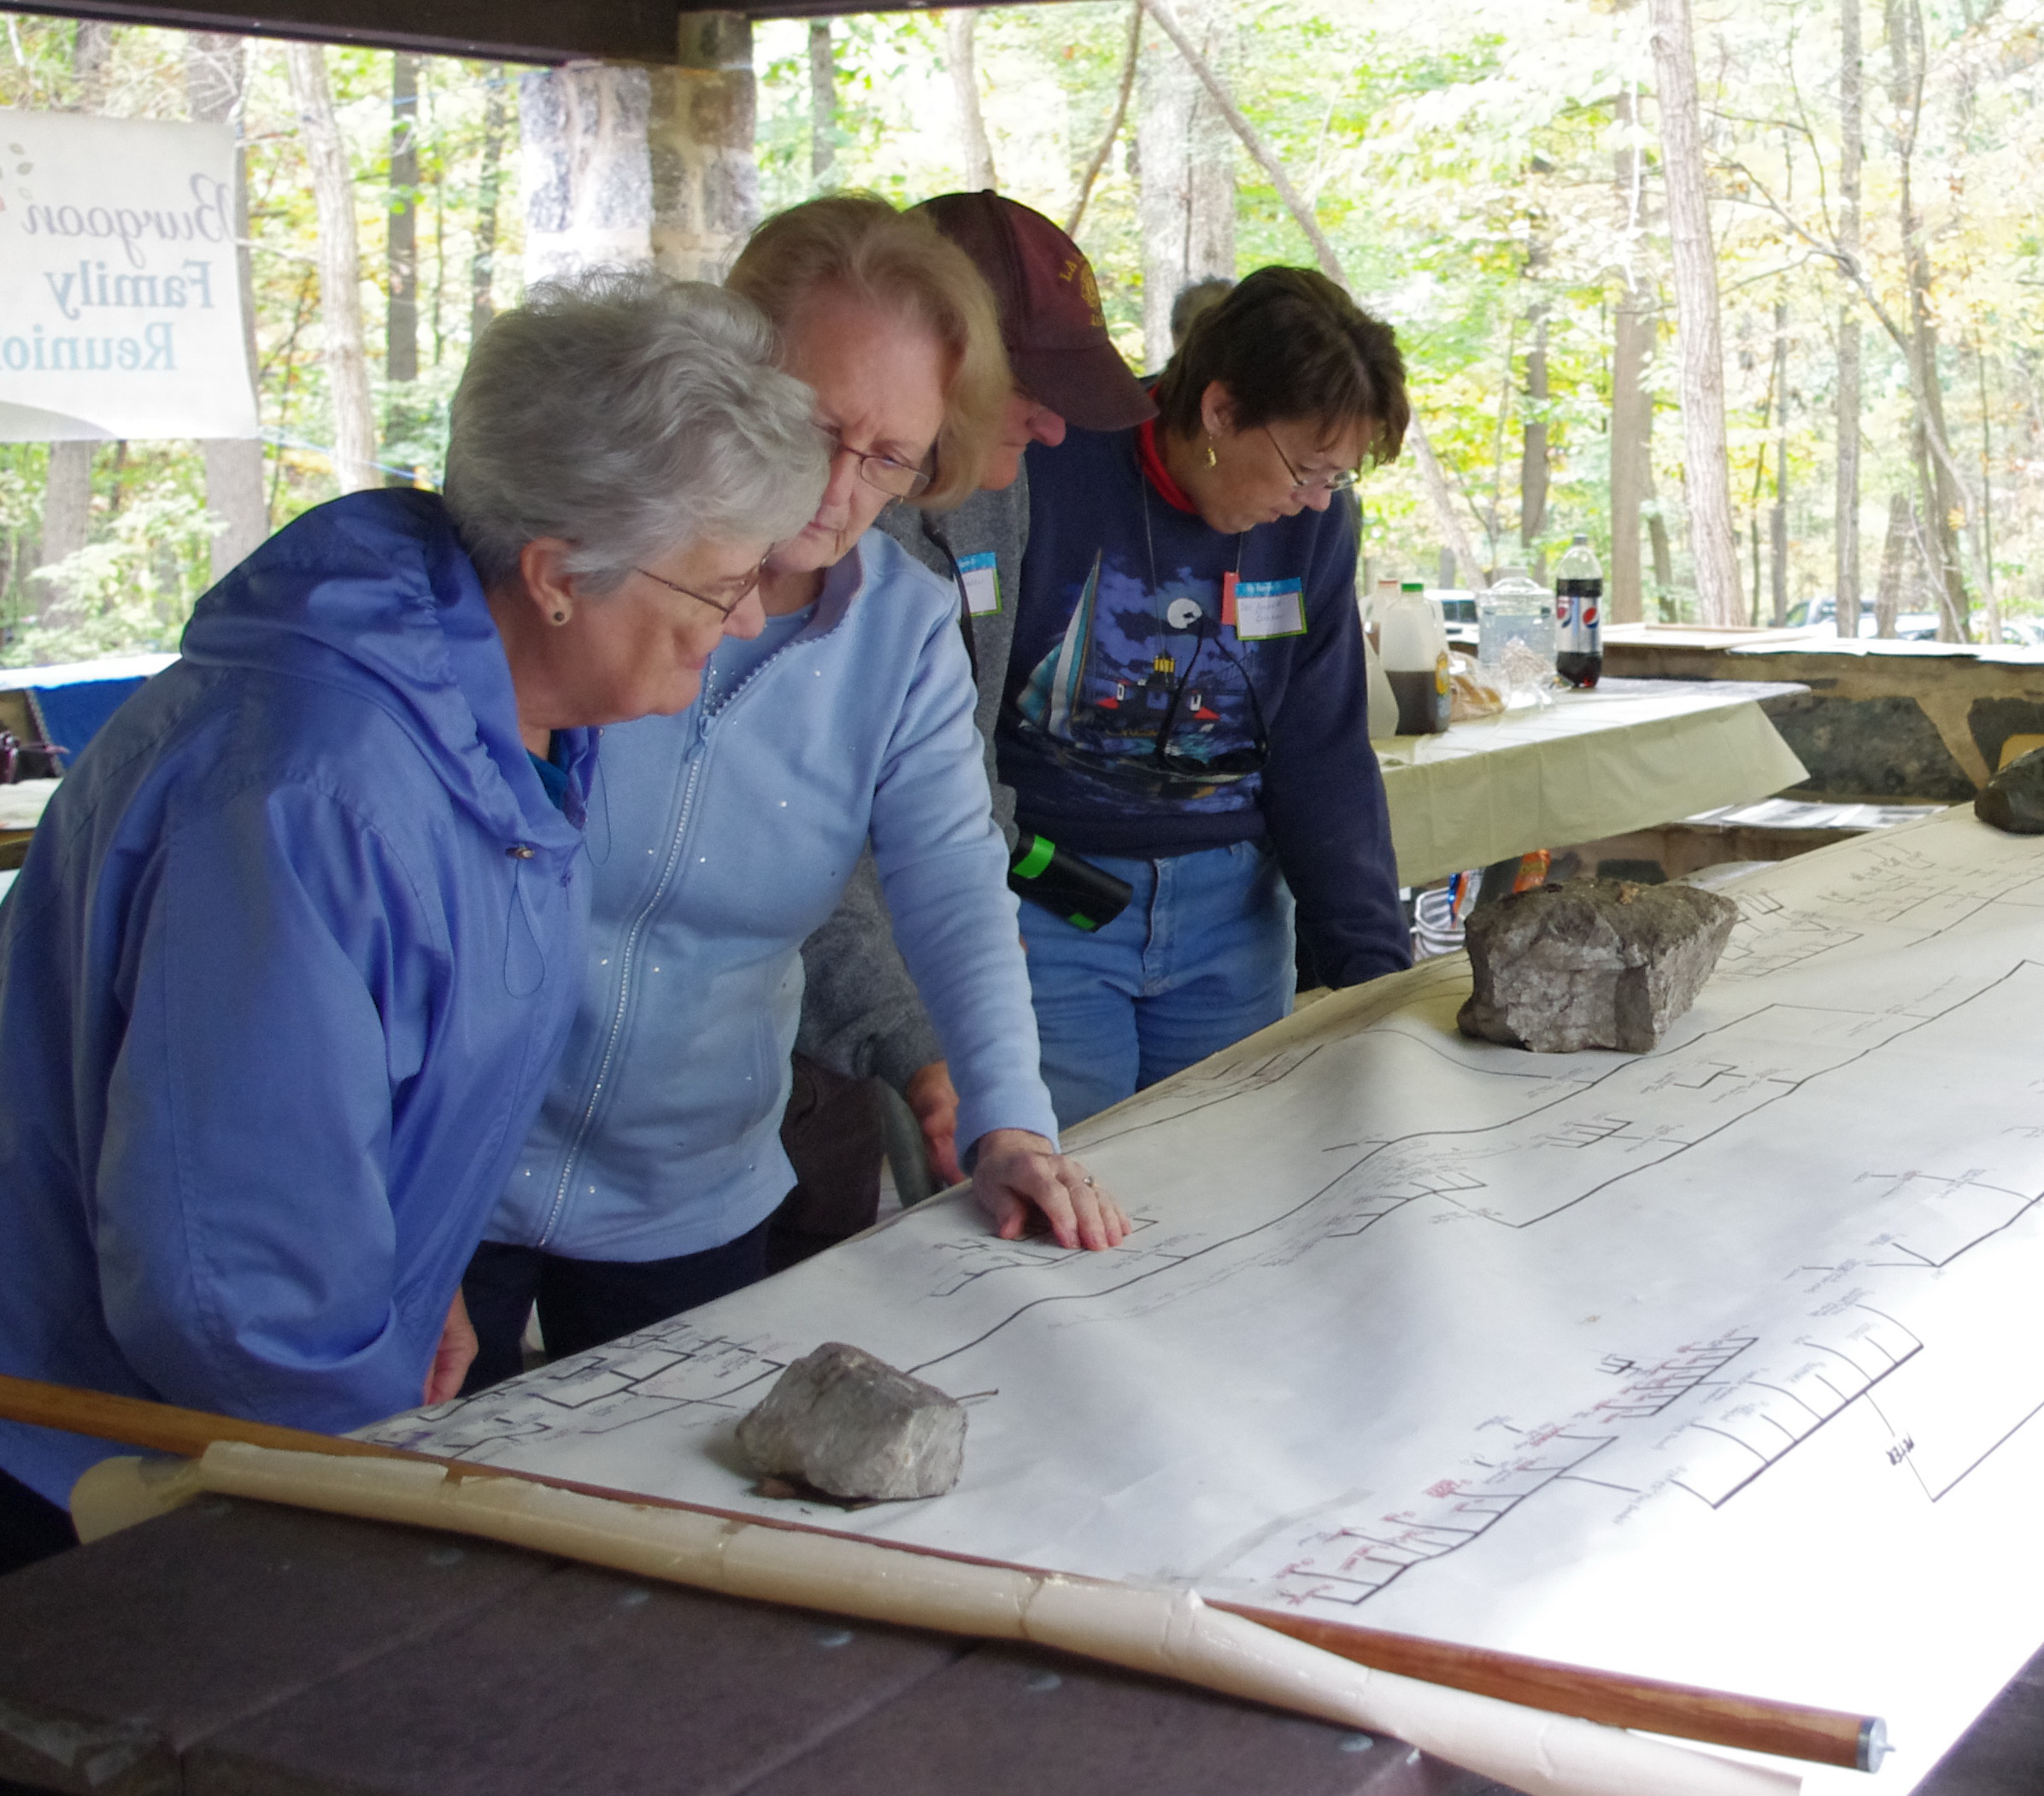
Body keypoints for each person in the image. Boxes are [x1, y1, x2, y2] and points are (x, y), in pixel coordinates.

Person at [0, 273, 825, 1796]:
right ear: (560, 572)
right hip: (38, 1403)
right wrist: (365, 1433)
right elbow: (220, 1257)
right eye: (719, 589)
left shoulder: (494, 699)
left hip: (205, 1369)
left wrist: (407, 1275)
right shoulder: (320, 778)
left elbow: (375, 1072)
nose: (749, 619)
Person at [461, 199, 1126, 1397]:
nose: (841, 488)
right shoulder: (590, 583)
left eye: (893, 458)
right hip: (461, 1169)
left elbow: (954, 881)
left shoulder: (904, 630)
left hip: (694, 1185)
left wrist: (1007, 1119)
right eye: (819, 428)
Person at [784, 191, 1157, 1258]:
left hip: (844, 1018)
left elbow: (947, 818)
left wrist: (1002, 1104)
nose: (1052, 424)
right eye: (1028, 392)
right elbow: (804, 822)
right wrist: (910, 1035)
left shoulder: (979, 516)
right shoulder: (789, 532)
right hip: (759, 1012)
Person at [1003, 263, 1414, 1125]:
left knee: (1219, 1184)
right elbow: (957, 727)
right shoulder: (1049, 465)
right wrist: (1033, 879)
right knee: (1074, 1184)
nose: (1311, 499)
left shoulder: (1313, 523)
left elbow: (1322, 746)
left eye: (1334, 480)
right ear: (1221, 410)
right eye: (1305, 468)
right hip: (1049, 897)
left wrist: (1373, 971)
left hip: (1230, 912)